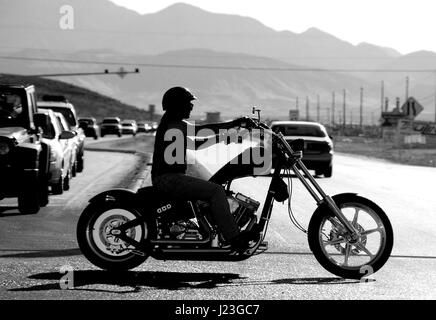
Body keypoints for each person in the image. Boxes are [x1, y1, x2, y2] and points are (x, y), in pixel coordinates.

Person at [151, 86, 258, 252]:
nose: (191, 106)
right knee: (215, 191)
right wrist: (235, 123)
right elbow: (199, 131)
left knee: (215, 187)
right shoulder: (173, 123)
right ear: (177, 105)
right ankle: (234, 237)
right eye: (188, 103)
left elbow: (196, 144)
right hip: (169, 179)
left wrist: (223, 137)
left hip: (170, 177)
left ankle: (219, 230)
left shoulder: (173, 124)